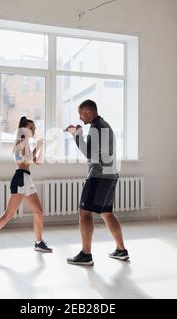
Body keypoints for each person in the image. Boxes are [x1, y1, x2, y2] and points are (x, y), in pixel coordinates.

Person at [0, 116, 53, 256]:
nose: (33, 130)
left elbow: (38, 162)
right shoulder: (20, 142)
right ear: (23, 129)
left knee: (38, 212)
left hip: (27, 179)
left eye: (34, 128)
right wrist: (38, 147)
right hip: (20, 179)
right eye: (31, 128)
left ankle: (38, 242)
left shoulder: (27, 144)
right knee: (8, 214)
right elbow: (23, 161)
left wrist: (41, 148)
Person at [64, 100, 129, 266]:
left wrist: (76, 135)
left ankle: (86, 254)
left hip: (99, 176)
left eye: (81, 114)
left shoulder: (96, 128)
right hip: (111, 175)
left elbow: (90, 155)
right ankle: (121, 250)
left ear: (88, 113)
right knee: (106, 212)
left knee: (84, 212)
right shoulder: (104, 125)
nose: (80, 117)